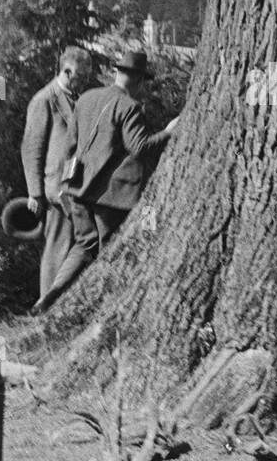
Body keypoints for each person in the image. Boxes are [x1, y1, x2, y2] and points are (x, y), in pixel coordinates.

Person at [31, 50, 178, 314]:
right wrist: (168, 132)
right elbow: (141, 147)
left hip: (75, 191)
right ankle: (98, 307)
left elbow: (70, 146)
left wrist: (67, 183)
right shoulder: (129, 107)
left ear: (117, 73)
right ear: (138, 81)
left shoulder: (86, 98)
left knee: (84, 245)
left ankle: (49, 297)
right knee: (108, 250)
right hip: (108, 199)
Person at [21, 47, 93, 305]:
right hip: (55, 191)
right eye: (81, 76)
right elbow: (31, 148)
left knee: (70, 248)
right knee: (56, 250)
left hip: (74, 188)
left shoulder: (76, 98)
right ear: (66, 71)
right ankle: (47, 307)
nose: (84, 81)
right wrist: (35, 193)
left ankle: (59, 304)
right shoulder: (44, 100)